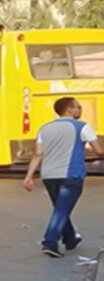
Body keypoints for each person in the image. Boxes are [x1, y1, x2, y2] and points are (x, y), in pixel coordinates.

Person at [23, 97, 104, 258]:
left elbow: (38, 153)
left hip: (48, 175)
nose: (80, 110)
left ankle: (70, 238)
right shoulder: (82, 127)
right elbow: (99, 151)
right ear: (69, 109)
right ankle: (50, 241)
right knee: (62, 209)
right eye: (78, 107)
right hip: (71, 174)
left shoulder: (44, 128)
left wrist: (29, 176)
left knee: (61, 208)